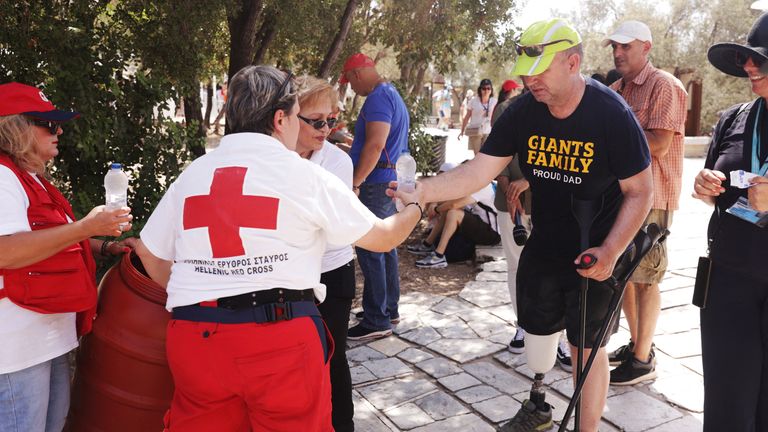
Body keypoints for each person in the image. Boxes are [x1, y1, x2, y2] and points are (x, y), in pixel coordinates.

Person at [134, 65, 424, 432]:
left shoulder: (193, 173)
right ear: (280, 118)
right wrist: (415, 206)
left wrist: (200, 291)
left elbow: (150, 253)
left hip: (195, 339)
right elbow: (383, 237)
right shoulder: (303, 175)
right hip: (279, 338)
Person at [416, 19, 652, 432]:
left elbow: (640, 192)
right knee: (537, 329)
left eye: (540, 67)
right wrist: (422, 191)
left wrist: (611, 252)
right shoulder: (522, 111)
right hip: (546, 241)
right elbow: (478, 172)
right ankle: (539, 405)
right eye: (525, 66)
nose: (529, 77)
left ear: (573, 62)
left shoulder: (611, 114)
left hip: (596, 246)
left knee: (585, 349)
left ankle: (586, 428)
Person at [0, 82, 134, 432]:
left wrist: (102, 244)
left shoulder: (31, 177)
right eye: (48, 124)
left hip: (47, 336)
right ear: (16, 126)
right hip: (16, 347)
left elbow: (43, 241)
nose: (58, 131)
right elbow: (6, 251)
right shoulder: (2, 177)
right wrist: (85, 227)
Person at [603, 20, 688, 386]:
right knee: (625, 276)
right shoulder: (615, 89)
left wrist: (611, 144)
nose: (618, 53)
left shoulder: (663, 86)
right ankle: (640, 344)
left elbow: (658, 143)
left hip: (652, 197)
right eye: (615, 48)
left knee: (646, 278)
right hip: (622, 196)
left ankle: (642, 361)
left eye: (626, 47)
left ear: (646, 48)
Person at [694, 13, 768, 431]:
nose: (749, 67)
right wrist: (706, 187)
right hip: (728, 283)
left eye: (761, 60)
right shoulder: (733, 119)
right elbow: (716, 189)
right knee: (727, 404)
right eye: (747, 59)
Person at [293, 75, 356, 432]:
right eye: (316, 121)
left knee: (332, 358)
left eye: (330, 120)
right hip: (286, 275)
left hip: (330, 274)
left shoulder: (337, 163)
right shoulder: (274, 156)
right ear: (288, 116)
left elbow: (329, 226)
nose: (325, 128)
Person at [340, 53, 410, 341]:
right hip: (388, 179)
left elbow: (376, 144)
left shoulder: (377, 98)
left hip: (375, 182)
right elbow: (378, 143)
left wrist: (355, 182)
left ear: (357, 74)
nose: (352, 89)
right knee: (386, 245)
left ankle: (376, 318)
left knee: (371, 248)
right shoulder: (391, 93)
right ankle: (386, 308)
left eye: (350, 82)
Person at [407, 167, 500, 269]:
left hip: (492, 234)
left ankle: (439, 256)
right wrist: (435, 205)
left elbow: (454, 204)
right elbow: (448, 201)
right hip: (480, 226)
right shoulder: (470, 186)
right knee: (448, 210)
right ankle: (427, 244)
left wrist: (437, 209)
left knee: (453, 212)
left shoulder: (483, 187)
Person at [460, 78, 497, 155]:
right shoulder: (473, 101)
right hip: (475, 131)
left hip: (488, 131)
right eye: (484, 88)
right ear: (480, 89)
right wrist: (462, 131)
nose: (486, 91)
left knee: (486, 155)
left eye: (488, 88)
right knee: (477, 155)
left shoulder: (494, 101)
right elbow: (467, 117)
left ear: (491, 90)